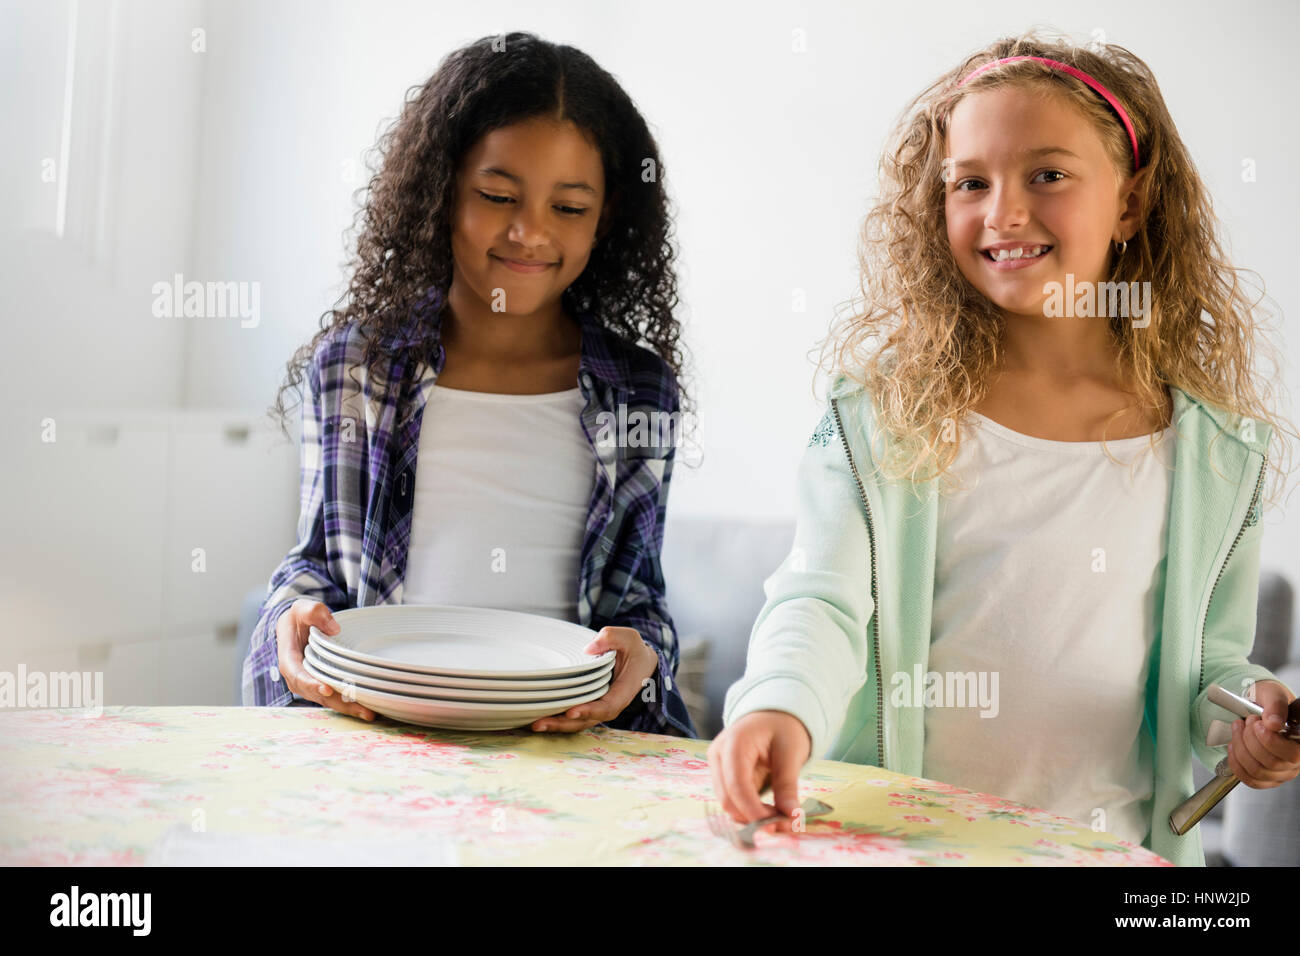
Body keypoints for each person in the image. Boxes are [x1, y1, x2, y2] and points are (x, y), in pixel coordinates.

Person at [710, 31, 1300, 865]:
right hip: (904, 847)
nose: (1003, 213)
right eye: (970, 183)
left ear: (1131, 203)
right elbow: (821, 603)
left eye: (1047, 175)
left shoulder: (1214, 450)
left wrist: (1249, 712)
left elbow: (1209, 662)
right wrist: (778, 705)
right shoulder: (886, 412)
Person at [242, 32, 696, 738]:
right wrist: (288, 624)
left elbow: (638, 605)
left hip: (565, 752)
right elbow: (315, 571)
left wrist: (647, 657)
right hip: (385, 735)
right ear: (442, 191)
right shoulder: (357, 369)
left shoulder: (641, 391)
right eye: (496, 194)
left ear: (605, 219)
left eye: (568, 208)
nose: (529, 234)